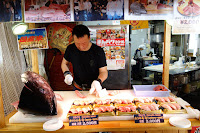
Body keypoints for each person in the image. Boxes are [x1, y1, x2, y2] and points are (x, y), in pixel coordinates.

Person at [61, 25, 108, 96]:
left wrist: (98, 82)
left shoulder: (98, 51)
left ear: (89, 38)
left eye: (84, 43)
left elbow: (104, 72)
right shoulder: (71, 49)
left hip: (94, 88)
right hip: (77, 87)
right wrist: (66, 74)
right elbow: (64, 63)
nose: (81, 47)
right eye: (77, 43)